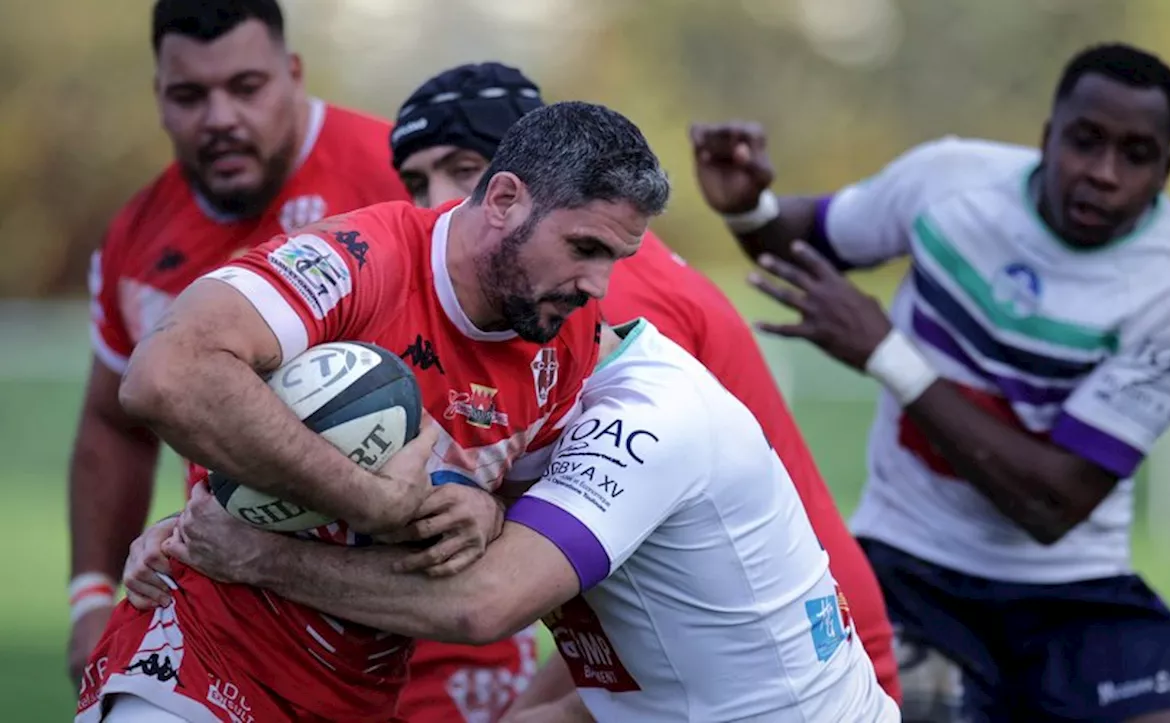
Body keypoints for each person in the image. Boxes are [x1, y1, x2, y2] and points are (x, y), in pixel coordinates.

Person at [76, 100, 670, 723]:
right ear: (503, 200)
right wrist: (367, 499)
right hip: (198, 664)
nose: (597, 285)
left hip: (359, 695)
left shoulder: (568, 343)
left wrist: (487, 514)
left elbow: (517, 552)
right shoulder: (358, 259)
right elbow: (164, 374)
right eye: (584, 247)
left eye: (613, 260)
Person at [692, 43, 1170, 723]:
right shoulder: (947, 181)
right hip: (909, 568)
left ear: (1166, 169)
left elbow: (1052, 504)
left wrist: (889, 353)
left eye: (1136, 154)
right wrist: (749, 210)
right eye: (1085, 141)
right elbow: (803, 242)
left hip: (1076, 590)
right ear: (1047, 136)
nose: (1102, 172)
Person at [387, 61, 902, 713]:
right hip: (702, 645)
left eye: (464, 172)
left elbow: (529, 589)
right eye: (414, 182)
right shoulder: (534, 303)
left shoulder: (586, 299)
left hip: (785, 655)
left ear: (519, 184)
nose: (437, 204)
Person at [124, 318, 902, 722]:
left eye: (458, 179)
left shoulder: (647, 415)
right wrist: (190, 527)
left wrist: (255, 555)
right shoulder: (510, 393)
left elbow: (481, 603)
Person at [66, 0, 412, 684]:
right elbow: (113, 424)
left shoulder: (400, 178)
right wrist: (90, 595)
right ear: (159, 100)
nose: (220, 117)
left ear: (292, 73)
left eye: (246, 88)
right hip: (235, 618)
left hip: (417, 622)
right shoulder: (137, 239)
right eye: (190, 95)